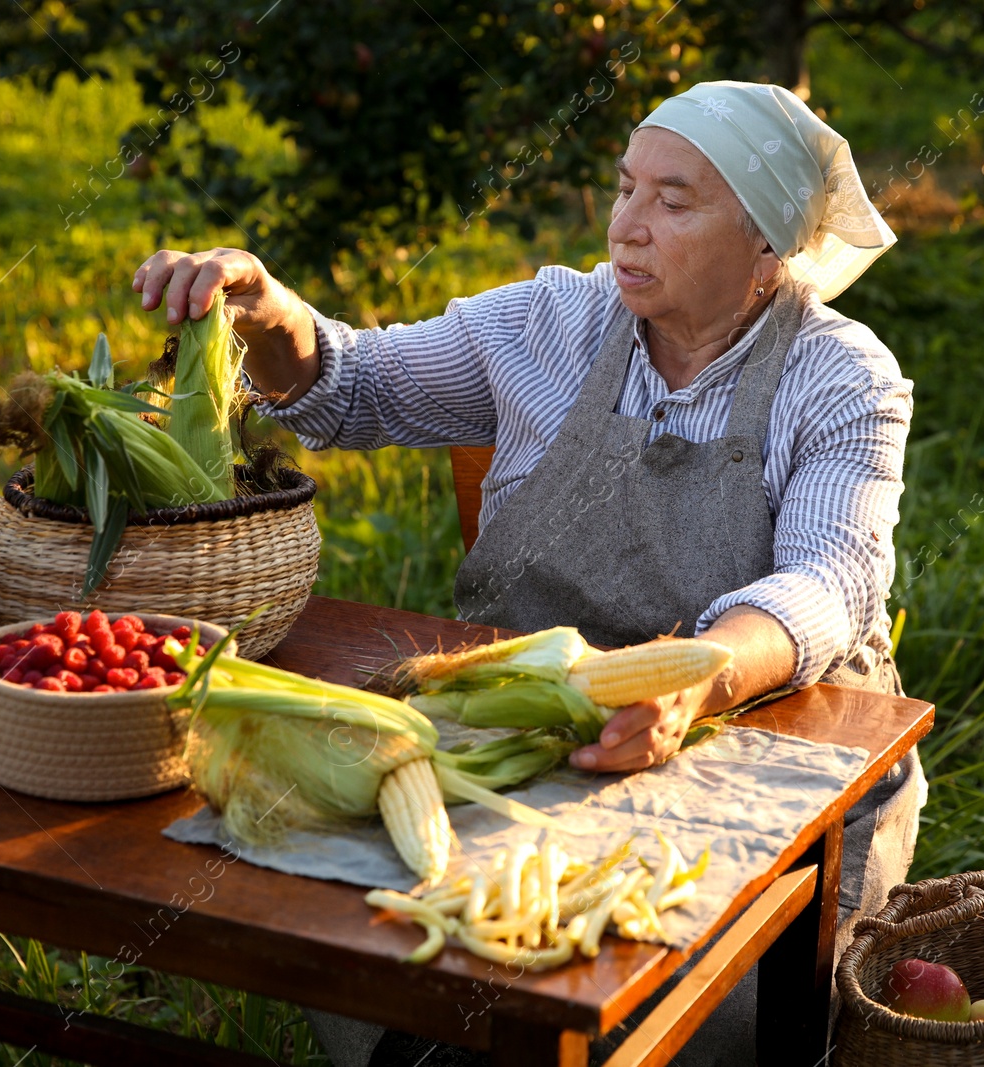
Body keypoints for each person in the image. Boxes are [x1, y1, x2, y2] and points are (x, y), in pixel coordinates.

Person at [134, 80, 925, 1067]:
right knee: (373, 938)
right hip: (551, 739)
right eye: (624, 188)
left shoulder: (842, 376)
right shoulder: (550, 322)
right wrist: (265, 312)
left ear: (766, 242)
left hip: (782, 762)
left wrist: (692, 675)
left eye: (673, 202)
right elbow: (355, 388)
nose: (626, 226)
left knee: (690, 1013)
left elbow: (830, 577)